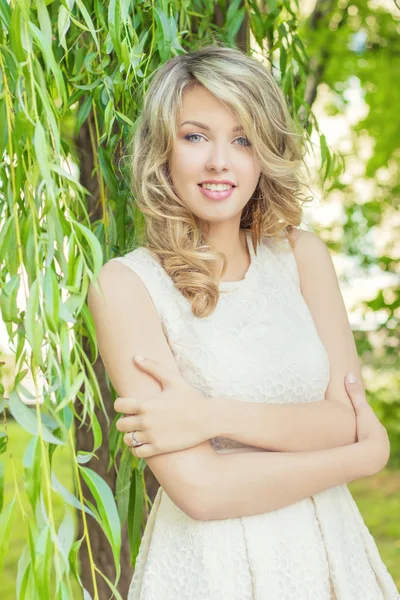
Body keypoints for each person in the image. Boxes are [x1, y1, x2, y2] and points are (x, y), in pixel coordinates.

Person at [88, 45, 399, 599]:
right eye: (194, 136)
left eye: (242, 138)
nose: (219, 162)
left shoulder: (303, 257)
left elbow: (345, 417)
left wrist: (207, 416)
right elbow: (203, 489)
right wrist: (360, 457)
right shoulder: (125, 286)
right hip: (215, 567)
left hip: (331, 554)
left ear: (265, 154)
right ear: (162, 149)